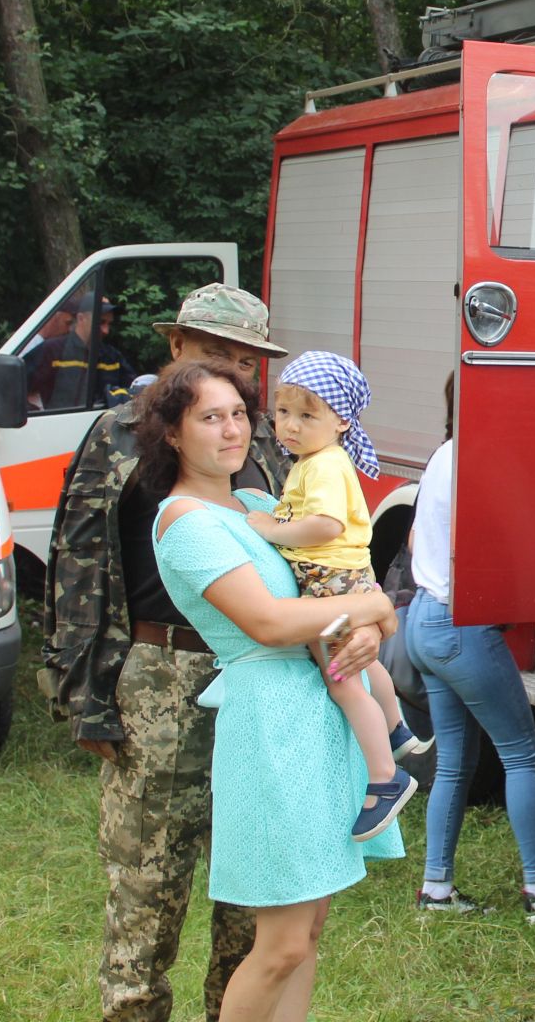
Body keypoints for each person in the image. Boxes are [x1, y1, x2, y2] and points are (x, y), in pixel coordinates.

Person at [42, 283, 288, 1022]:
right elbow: (78, 564)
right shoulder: (120, 433)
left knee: (251, 895)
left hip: (256, 676)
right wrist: (85, 693)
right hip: (161, 680)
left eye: (245, 361)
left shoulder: (262, 435)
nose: (231, 370)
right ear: (176, 347)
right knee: (148, 890)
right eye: (214, 352)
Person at [139, 358, 404, 1022]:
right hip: (270, 724)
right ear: (172, 432)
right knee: (281, 945)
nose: (232, 430)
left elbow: (344, 585)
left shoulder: (259, 505)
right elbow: (270, 622)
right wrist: (372, 609)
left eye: (238, 414)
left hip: (320, 714)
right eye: (210, 418)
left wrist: (370, 626)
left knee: (309, 933)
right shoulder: (185, 522)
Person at [403, 377, 535, 922]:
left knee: (454, 763)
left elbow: (418, 539)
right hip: (462, 628)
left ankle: (437, 890)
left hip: (423, 617)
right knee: (521, 753)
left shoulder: (444, 454)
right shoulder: (492, 462)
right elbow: (532, 536)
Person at [245, 350, 424, 841]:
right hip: (349, 579)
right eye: (283, 412)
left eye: (307, 415)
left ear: (342, 420)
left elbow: (325, 525)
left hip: (331, 585)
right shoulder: (317, 460)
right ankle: (396, 728)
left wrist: (270, 530)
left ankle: (385, 779)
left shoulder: (322, 465)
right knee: (367, 666)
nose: (290, 425)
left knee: (342, 679)